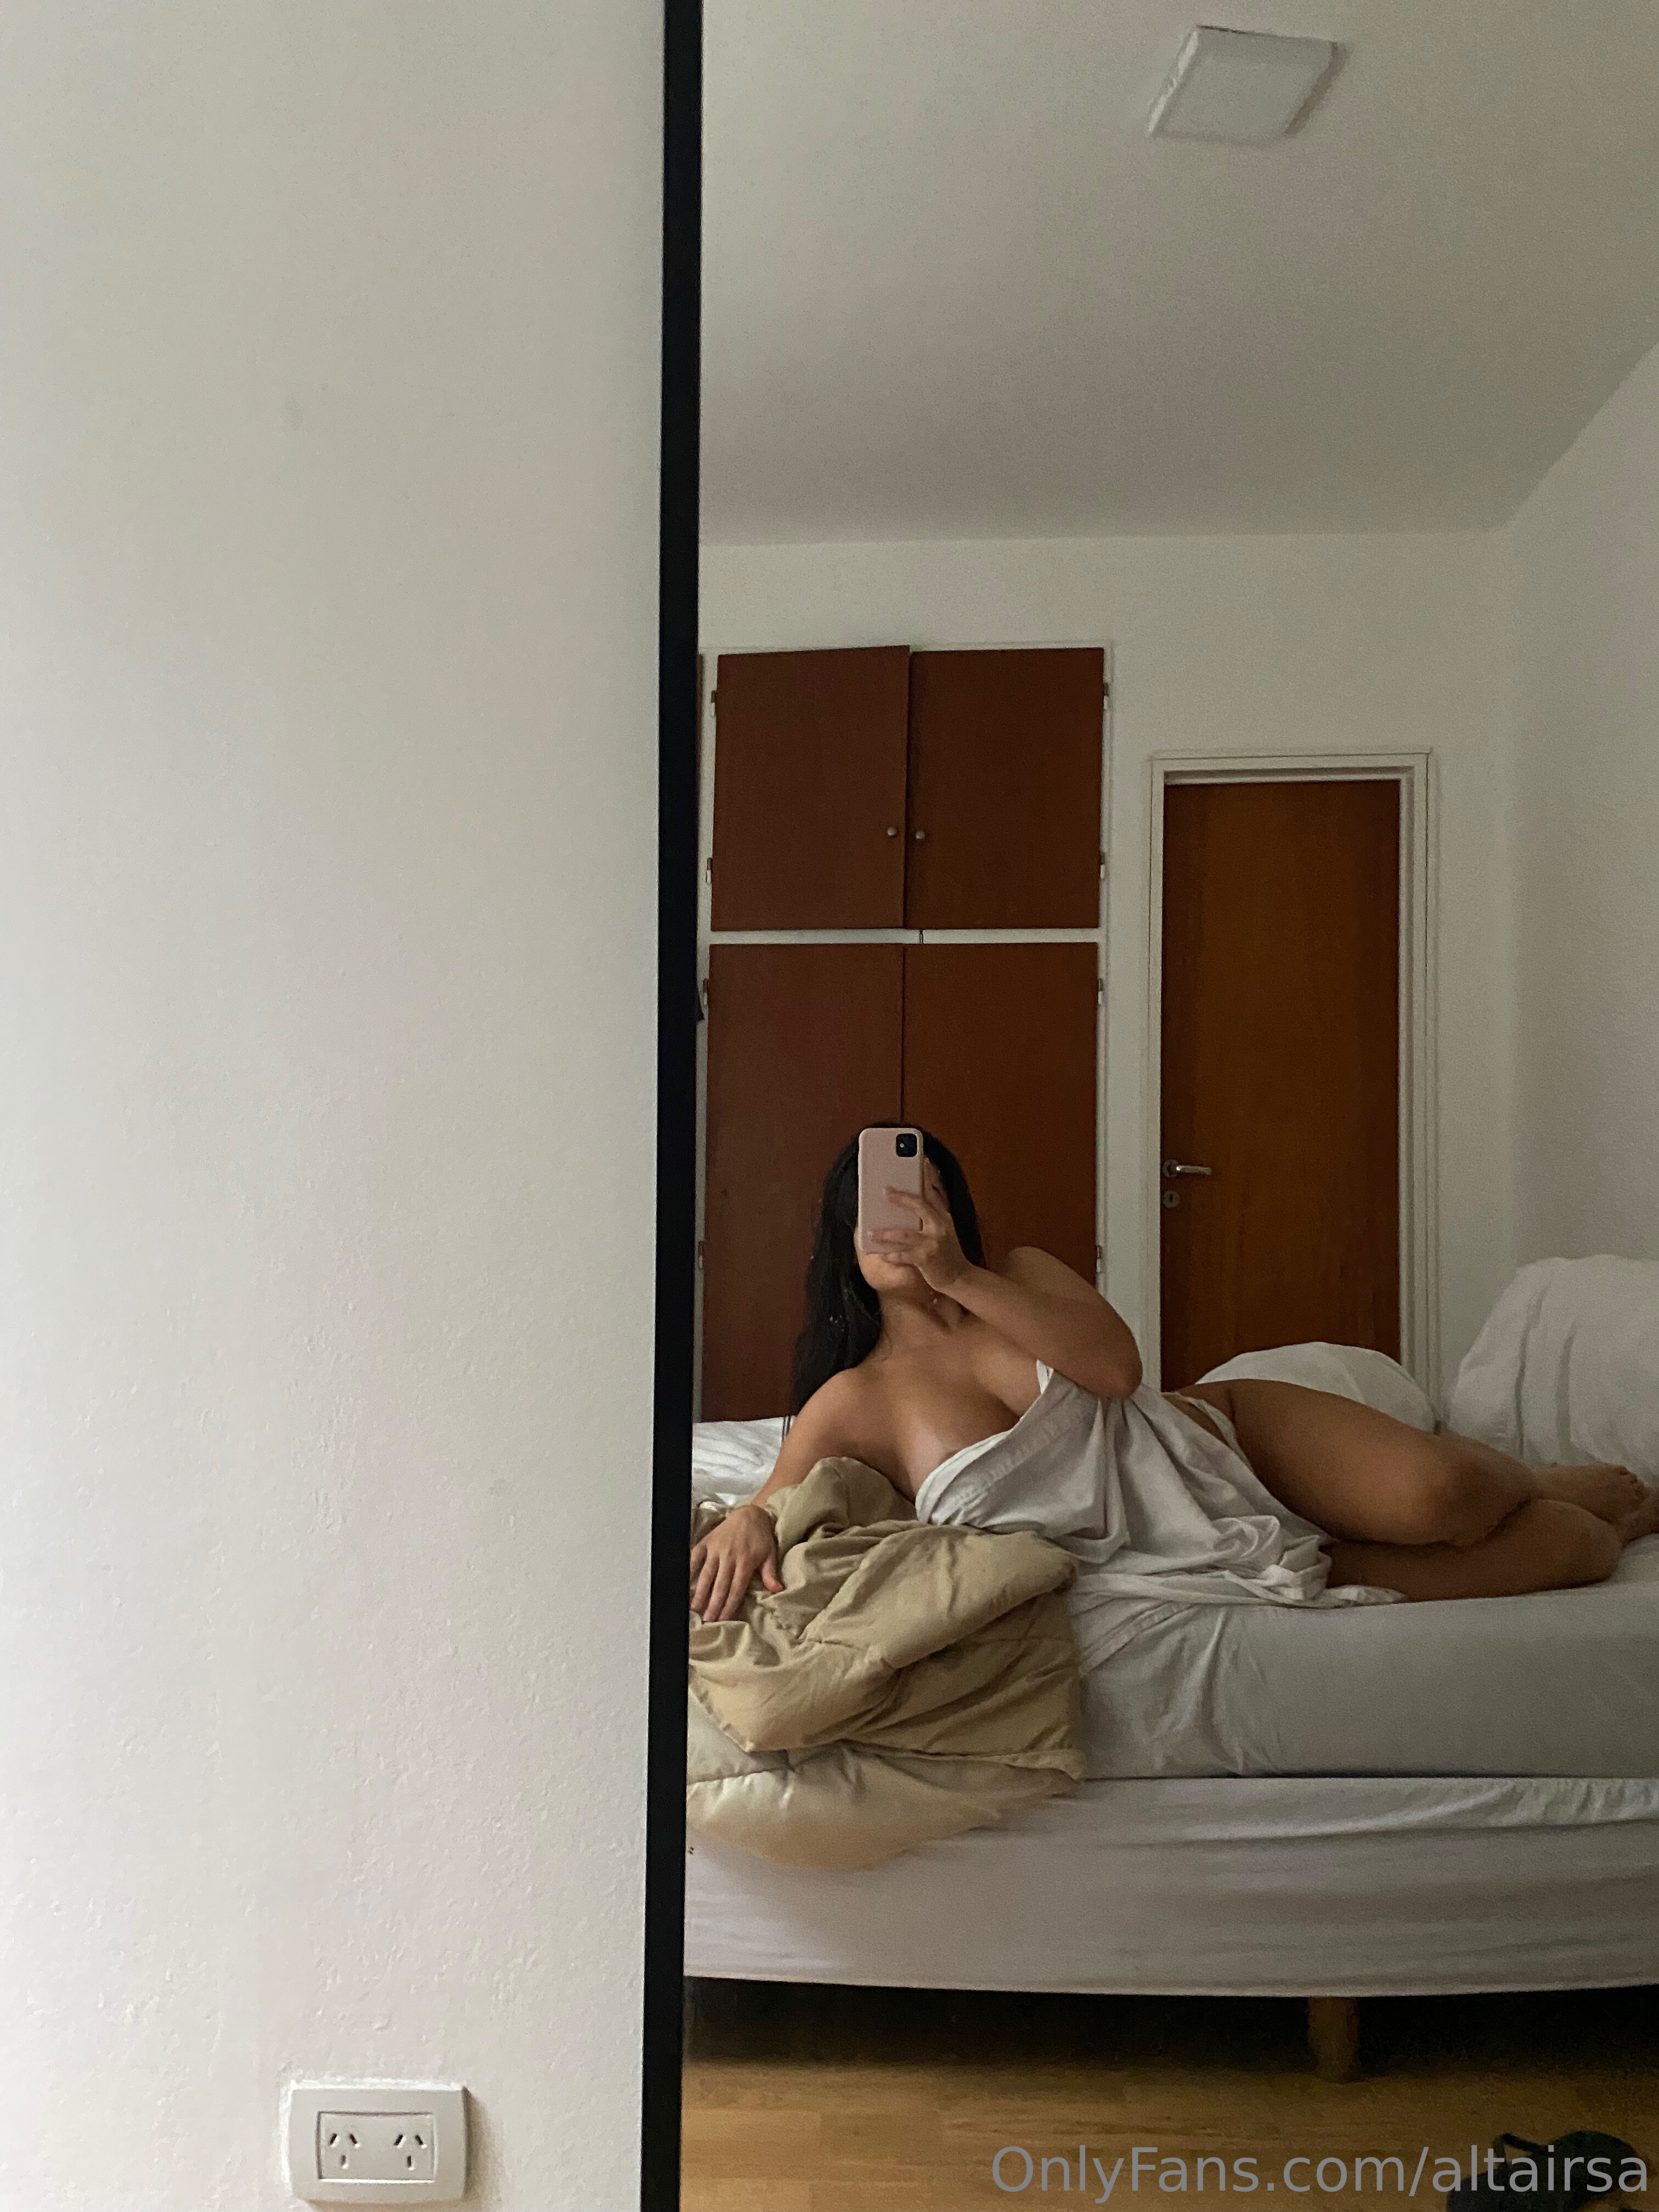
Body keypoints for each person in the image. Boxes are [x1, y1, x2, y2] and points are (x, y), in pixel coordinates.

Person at [689, 1130, 1658, 1627]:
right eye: (889, 1207)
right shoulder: (854, 1398)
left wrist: (960, 1279)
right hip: (1188, 1555)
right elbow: (774, 1502)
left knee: (1442, 1494)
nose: (914, 1217)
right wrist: (747, 1522)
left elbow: (1118, 1371)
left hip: (1233, 1443)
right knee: (1573, 1549)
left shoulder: (1017, 1275)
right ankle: (1574, 1510)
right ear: (847, 1242)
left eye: (931, 1195)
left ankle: (1527, 1475)